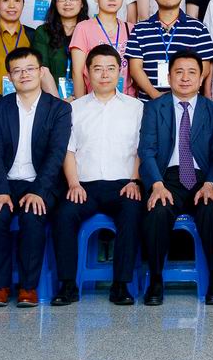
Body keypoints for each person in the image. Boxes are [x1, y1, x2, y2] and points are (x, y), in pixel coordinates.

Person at [50, 45, 144, 307]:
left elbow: (142, 149)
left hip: (123, 185)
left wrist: (135, 181)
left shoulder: (136, 107)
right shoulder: (74, 108)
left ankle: (121, 285)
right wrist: (73, 184)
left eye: (110, 69)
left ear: (120, 71)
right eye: (98, 69)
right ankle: (68, 285)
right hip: (85, 186)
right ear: (87, 72)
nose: (104, 75)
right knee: (64, 214)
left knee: (132, 212)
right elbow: (68, 151)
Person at [0, 47, 71, 308]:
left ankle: (28, 288)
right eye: (17, 71)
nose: (24, 75)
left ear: (41, 72)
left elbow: (56, 154)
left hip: (41, 183)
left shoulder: (59, 109)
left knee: (32, 216)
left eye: (30, 69)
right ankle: (0, 286)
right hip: (5, 182)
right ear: (9, 76)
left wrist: (39, 191)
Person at [137, 51, 213, 306]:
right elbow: (147, 151)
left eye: (192, 72)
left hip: (202, 178)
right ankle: (155, 279)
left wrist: (211, 183)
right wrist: (156, 185)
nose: (185, 78)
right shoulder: (154, 108)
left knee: (210, 209)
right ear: (169, 77)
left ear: (201, 78)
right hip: (167, 178)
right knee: (157, 210)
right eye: (179, 72)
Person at [127, 0, 213, 102]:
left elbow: (205, 67)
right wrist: (156, 96)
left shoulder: (198, 28)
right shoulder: (140, 29)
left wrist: (182, 95)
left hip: (187, 103)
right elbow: (135, 69)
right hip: (149, 103)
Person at [69, 0, 137, 98]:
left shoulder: (131, 29)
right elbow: (77, 72)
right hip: (94, 100)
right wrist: (80, 104)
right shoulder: (83, 28)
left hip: (127, 100)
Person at [32, 0, 87, 99]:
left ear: (82, 2)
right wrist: (58, 103)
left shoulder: (89, 30)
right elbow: (43, 70)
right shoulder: (43, 32)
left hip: (87, 99)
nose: (67, 2)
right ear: (55, 3)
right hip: (52, 99)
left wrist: (80, 100)